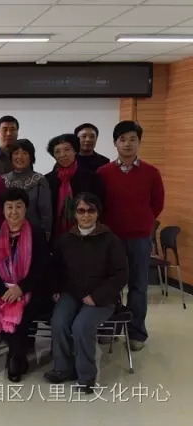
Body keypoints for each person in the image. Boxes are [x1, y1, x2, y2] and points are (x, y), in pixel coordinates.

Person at [44, 192, 128, 393]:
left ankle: (86, 375)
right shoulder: (66, 239)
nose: (86, 215)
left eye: (91, 210)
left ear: (98, 213)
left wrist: (97, 296)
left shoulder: (111, 240)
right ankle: (63, 368)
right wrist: (56, 289)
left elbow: (120, 275)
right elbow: (55, 268)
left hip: (102, 297)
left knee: (81, 326)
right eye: (81, 211)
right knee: (59, 322)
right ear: (74, 213)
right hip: (71, 293)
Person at [97, 121, 164, 352]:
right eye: (122, 139)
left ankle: (136, 332)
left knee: (138, 287)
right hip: (110, 239)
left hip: (139, 239)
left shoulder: (151, 172)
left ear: (139, 142)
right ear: (115, 143)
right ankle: (109, 328)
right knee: (110, 286)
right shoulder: (103, 173)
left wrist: (141, 222)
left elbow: (157, 205)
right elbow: (100, 206)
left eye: (132, 139)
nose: (127, 144)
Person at [0, 188, 52, 383]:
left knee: (23, 314)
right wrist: (2, 290)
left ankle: (15, 356)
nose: (14, 211)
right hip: (1, 289)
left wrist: (21, 288)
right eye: (9, 207)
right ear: (3, 210)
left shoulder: (36, 233)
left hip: (30, 289)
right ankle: (17, 355)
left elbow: (42, 268)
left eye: (18, 206)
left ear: (26, 209)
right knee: (3, 308)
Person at [45, 133, 104, 244]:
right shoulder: (47, 180)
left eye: (67, 149)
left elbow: (99, 207)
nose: (62, 155)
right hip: (55, 237)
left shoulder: (92, 178)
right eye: (57, 151)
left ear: (75, 151)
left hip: (86, 236)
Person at [3, 139, 53, 239]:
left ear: (31, 157)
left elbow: (46, 213)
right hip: (7, 234)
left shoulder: (39, 180)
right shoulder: (3, 179)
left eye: (24, 153)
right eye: (16, 153)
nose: (19, 157)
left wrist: (45, 236)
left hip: (33, 234)